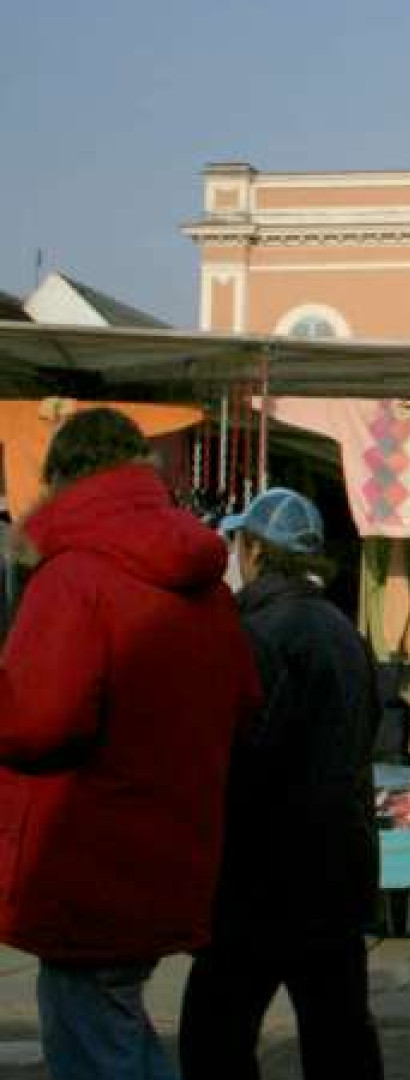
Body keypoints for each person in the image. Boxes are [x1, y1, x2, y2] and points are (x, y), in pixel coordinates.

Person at [0, 408, 259, 1080]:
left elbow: (35, 721)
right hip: (171, 849)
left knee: (91, 1037)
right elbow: (244, 705)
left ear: (61, 480)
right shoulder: (207, 584)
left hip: (84, 856)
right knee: (120, 1028)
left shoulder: (74, 577)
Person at [180, 488, 386, 1079]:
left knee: (214, 1038)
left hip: (261, 876)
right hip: (339, 868)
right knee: (339, 1039)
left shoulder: (258, 634)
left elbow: (242, 755)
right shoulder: (345, 633)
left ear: (254, 550)